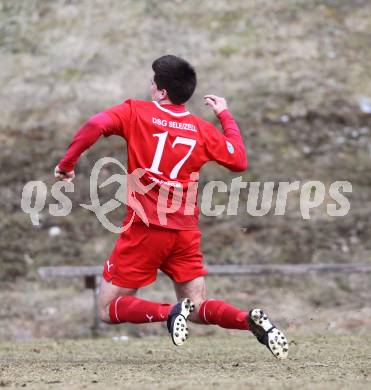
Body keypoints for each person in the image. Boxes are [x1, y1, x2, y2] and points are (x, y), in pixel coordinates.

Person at [55, 55, 288, 358]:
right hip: (185, 233)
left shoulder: (136, 112)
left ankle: (167, 313)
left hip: (146, 229)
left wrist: (66, 164)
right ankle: (249, 320)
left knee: (107, 309)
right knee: (197, 306)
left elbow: (95, 124)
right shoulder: (201, 129)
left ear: (162, 92)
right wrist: (225, 115)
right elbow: (239, 160)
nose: (149, 84)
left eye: (152, 81)